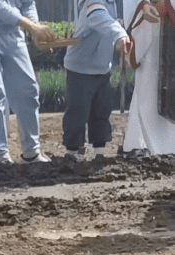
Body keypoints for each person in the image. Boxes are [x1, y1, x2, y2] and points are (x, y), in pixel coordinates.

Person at [0, 0, 56, 164]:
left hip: (13, 31)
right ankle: (0, 156)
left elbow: (28, 4)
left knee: (28, 90)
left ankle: (32, 153)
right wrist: (32, 27)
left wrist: (35, 28)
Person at [62, 1, 131, 161]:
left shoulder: (112, 3)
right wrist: (120, 34)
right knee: (78, 112)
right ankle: (72, 152)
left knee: (102, 111)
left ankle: (100, 153)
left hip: (102, 68)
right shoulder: (92, 3)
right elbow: (99, 17)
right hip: (80, 69)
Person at [123, 0, 175, 154]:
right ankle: (161, 149)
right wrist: (144, 5)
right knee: (150, 88)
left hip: (167, 21)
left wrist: (168, 5)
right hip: (152, 25)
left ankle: (137, 144)